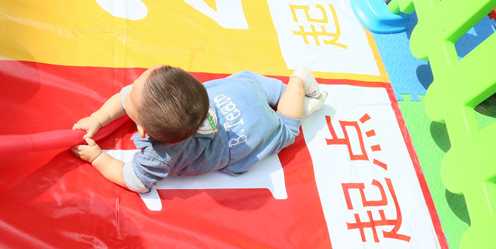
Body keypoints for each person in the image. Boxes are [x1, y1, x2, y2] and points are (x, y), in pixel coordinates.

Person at [71, 65, 327, 193]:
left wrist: (98, 157)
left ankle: (297, 84)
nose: (131, 86)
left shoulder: (161, 154)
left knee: (286, 129)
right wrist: (98, 118)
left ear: (143, 132)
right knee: (255, 84)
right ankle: (287, 93)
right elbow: (127, 98)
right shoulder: (189, 101)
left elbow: (135, 179)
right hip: (237, 92)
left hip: (251, 131)